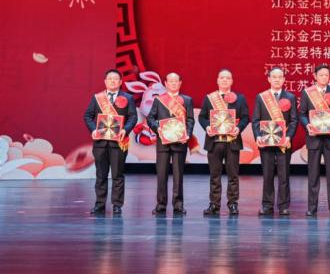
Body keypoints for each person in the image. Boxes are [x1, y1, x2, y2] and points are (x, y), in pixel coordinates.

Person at [82, 69, 137, 215]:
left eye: (116, 79)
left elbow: (133, 117)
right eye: (110, 78)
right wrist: (93, 130)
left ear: (120, 82)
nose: (113, 81)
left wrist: (126, 129)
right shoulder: (97, 98)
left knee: (118, 174)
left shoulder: (128, 98)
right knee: (101, 174)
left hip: (119, 142)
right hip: (100, 143)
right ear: (105, 81)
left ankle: (117, 205)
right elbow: (87, 116)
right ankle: (99, 204)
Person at [198, 68, 250, 216]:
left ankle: (233, 204)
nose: (225, 80)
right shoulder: (209, 98)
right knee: (214, 175)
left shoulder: (240, 98)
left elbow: (246, 117)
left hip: (232, 141)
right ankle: (214, 204)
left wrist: (239, 128)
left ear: (232, 81)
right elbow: (202, 117)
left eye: (228, 78)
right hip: (214, 142)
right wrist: (207, 127)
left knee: (233, 175)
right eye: (222, 77)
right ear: (217, 80)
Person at [298, 64, 330, 216]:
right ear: (315, 76)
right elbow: (302, 114)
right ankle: (312, 207)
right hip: (314, 138)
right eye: (321, 75)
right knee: (313, 174)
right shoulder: (307, 93)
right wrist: (307, 125)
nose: (324, 77)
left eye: (327, 75)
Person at [146, 72, 194, 215]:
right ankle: (161, 205)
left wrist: (188, 134)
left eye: (176, 81)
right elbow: (150, 119)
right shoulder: (159, 100)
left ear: (180, 83)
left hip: (180, 142)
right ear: (166, 83)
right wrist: (158, 128)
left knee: (178, 176)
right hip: (163, 142)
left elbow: (190, 120)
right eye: (170, 81)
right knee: (161, 175)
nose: (173, 83)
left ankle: (178, 205)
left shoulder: (187, 100)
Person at [252, 66, 298, 216]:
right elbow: (255, 120)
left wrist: (288, 137)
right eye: (274, 77)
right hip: (266, 143)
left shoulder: (290, 97)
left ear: (284, 79)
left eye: (280, 77)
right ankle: (267, 205)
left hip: (284, 143)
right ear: (269, 79)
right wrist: (258, 136)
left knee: (284, 175)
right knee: (267, 175)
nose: (277, 79)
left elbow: (294, 120)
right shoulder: (261, 97)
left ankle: (283, 206)